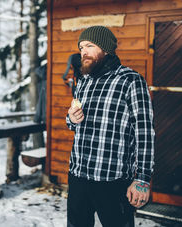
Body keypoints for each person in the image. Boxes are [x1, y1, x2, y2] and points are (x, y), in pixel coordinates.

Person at [66, 26, 155, 227]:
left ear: (106, 49)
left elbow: (145, 133)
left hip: (112, 179)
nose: (84, 52)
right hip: (78, 175)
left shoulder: (130, 80)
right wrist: (72, 118)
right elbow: (72, 123)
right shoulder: (83, 80)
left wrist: (142, 179)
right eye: (81, 47)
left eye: (90, 45)